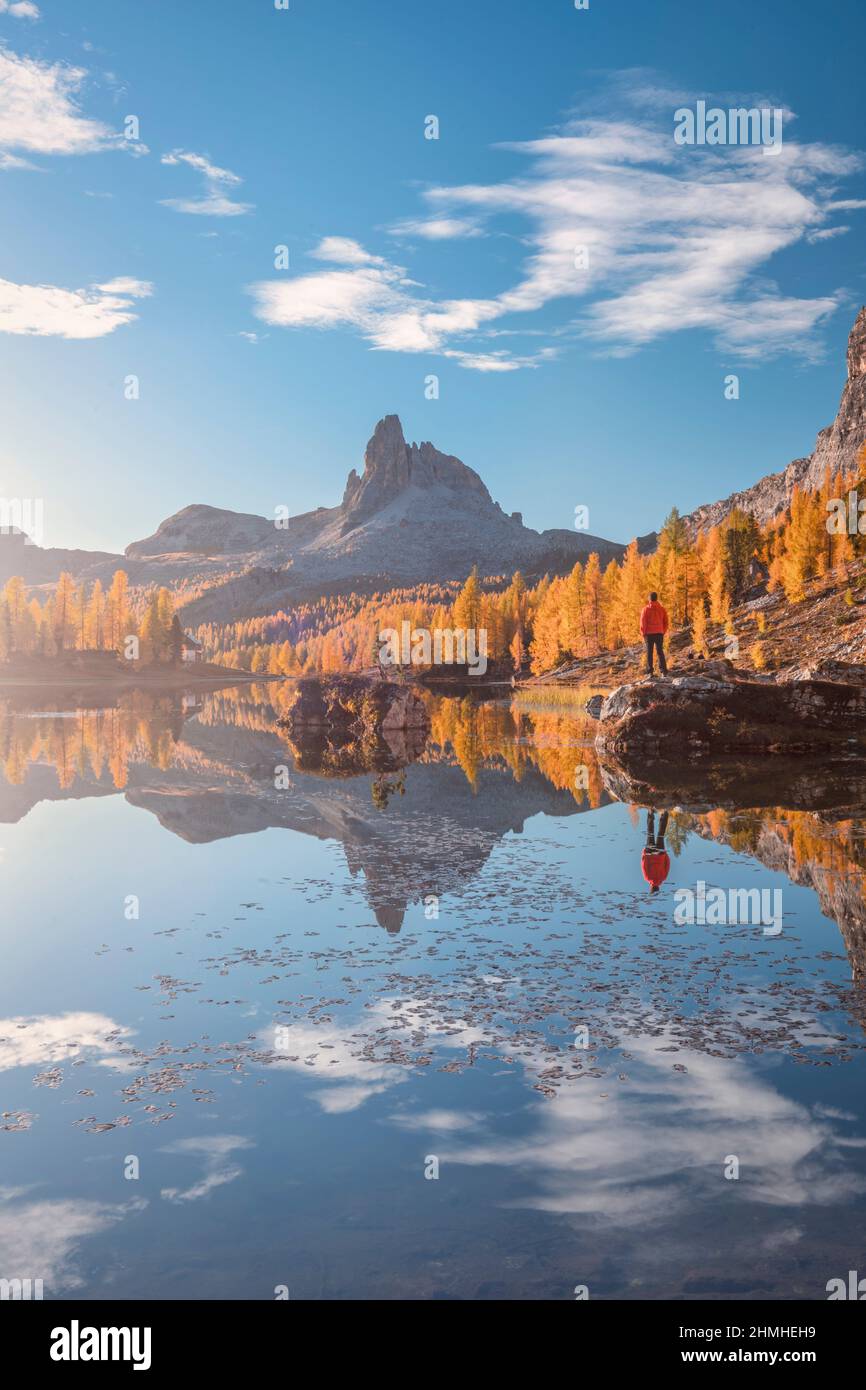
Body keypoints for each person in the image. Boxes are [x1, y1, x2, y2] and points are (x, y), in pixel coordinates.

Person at [639, 590, 669, 676]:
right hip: (659, 633)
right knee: (660, 652)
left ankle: (650, 672)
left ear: (649, 599)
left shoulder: (645, 609)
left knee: (649, 652)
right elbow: (666, 622)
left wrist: (643, 633)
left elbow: (642, 622)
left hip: (649, 634)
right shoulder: (662, 609)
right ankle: (664, 672)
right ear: (656, 599)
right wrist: (663, 631)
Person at [641, 808, 670, 894]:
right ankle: (650, 813)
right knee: (650, 833)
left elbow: (667, 864)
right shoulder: (647, 878)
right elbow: (644, 865)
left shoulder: (663, 878)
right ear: (651, 887)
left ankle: (665, 813)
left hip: (660, 854)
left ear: (658, 887)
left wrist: (664, 854)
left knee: (661, 833)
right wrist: (644, 853)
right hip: (650, 853)